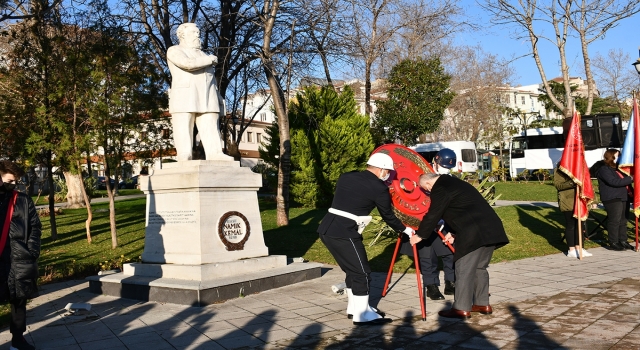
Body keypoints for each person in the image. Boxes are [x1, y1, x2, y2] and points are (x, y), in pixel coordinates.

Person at [318, 153, 414, 325]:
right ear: (381, 169)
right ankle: (362, 315)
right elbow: (388, 216)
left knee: (352, 270)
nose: (388, 175)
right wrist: (406, 229)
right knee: (362, 273)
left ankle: (354, 308)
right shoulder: (379, 188)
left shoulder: (346, 176)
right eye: (388, 171)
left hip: (327, 228)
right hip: (344, 232)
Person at [410, 173, 509, 319]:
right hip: (490, 229)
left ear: (428, 184)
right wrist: (453, 232)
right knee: (479, 268)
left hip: (474, 233)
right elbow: (462, 209)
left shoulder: (440, 187)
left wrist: (420, 235)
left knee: (463, 269)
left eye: (426, 189)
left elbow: (434, 213)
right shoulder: (453, 182)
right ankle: (482, 303)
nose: (428, 192)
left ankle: (461, 308)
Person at [167, 23, 232, 161]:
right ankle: (184, 153)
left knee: (210, 124)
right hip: (185, 95)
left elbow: (212, 79)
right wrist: (209, 60)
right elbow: (188, 64)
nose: (198, 35)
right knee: (183, 125)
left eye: (198, 32)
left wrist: (218, 97)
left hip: (207, 95)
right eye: (194, 32)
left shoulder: (202, 54)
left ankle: (215, 152)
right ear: (183, 35)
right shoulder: (174, 50)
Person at [400, 148, 457, 300]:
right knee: (427, 255)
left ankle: (451, 282)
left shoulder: (450, 179)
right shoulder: (423, 176)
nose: (446, 170)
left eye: (448, 168)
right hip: (422, 221)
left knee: (449, 253)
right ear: (435, 163)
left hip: (443, 222)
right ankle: (431, 286)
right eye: (443, 167)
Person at [0, 161, 41, 350]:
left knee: (19, 301)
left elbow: (35, 227)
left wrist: (31, 252)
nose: (13, 185)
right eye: (10, 181)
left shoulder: (23, 200)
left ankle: (18, 340)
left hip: (19, 259)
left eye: (16, 182)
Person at [590, 149, 634, 251]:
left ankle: (623, 240)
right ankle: (613, 241)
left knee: (623, 220)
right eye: (617, 156)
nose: (619, 158)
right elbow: (614, 182)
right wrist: (631, 178)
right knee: (615, 220)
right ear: (610, 157)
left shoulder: (619, 169)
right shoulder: (604, 169)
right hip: (612, 197)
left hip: (623, 196)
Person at [553, 165, 592, 258]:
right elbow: (558, 185)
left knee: (580, 225)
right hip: (568, 202)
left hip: (581, 200)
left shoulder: (580, 168)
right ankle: (571, 249)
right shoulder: (560, 169)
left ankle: (579, 248)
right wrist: (573, 182)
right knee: (571, 225)